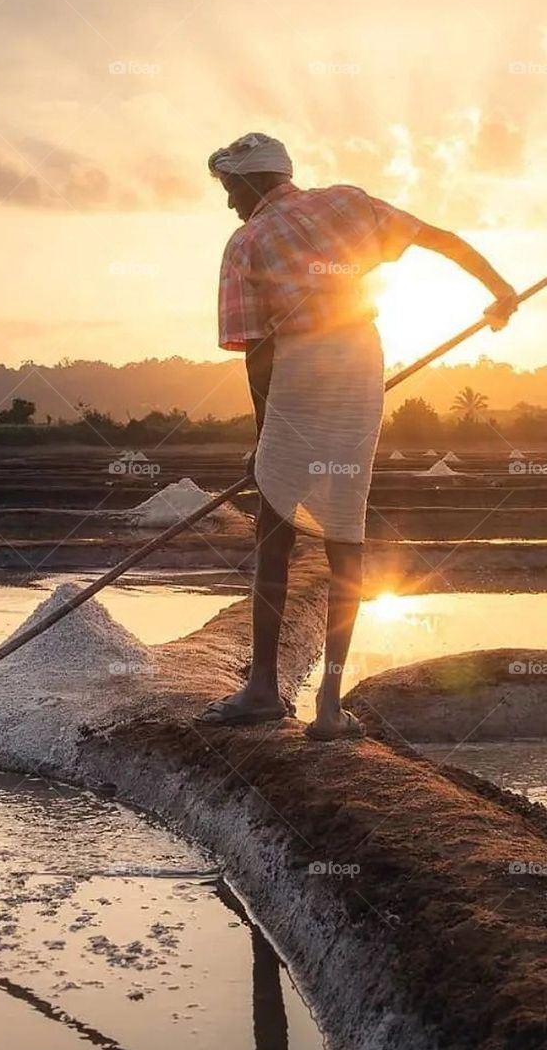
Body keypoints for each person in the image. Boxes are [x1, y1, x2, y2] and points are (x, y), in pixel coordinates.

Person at [200, 132, 518, 739]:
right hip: (355, 365)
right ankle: (328, 704)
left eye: (229, 189)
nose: (229, 203)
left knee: (276, 534)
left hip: (294, 372)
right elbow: (440, 240)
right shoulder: (347, 203)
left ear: (253, 181)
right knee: (346, 533)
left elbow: (258, 352)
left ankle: (264, 691)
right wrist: (498, 291)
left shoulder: (245, 241)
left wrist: (264, 439)